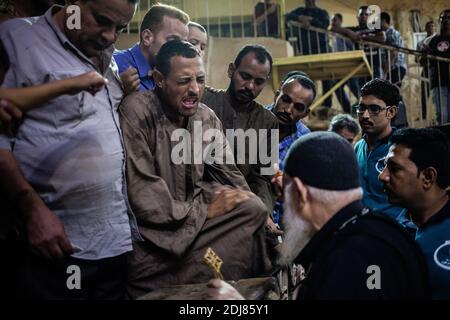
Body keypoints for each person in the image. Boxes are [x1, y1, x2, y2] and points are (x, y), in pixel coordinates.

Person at [0, 0, 141, 300]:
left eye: (121, 28)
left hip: (112, 242)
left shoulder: (105, 55)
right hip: (55, 243)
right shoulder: (17, 41)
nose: (111, 36)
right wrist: (31, 209)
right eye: (102, 20)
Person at [119, 40, 271, 299]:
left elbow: (229, 173)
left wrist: (261, 213)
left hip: (195, 218)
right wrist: (203, 211)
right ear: (158, 79)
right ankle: (179, 282)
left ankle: (221, 288)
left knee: (252, 208)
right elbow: (143, 192)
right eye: (184, 81)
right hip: (154, 232)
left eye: (200, 80)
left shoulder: (206, 117)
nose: (194, 90)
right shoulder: (136, 111)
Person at [207, 132, 430, 300]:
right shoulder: (383, 231)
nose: (283, 206)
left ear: (301, 194)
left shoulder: (349, 261)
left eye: (285, 195)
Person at [201, 45, 278, 217]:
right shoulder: (203, 102)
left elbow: (264, 177)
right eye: (245, 76)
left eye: (258, 82)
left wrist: (263, 213)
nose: (250, 86)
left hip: (244, 209)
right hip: (202, 205)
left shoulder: (268, 121)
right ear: (231, 70)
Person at [379, 128, 450, 299]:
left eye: (394, 169)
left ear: (428, 177)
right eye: (384, 166)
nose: (383, 176)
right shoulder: (392, 231)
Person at [354, 79, 405, 221]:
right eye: (361, 108)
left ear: (391, 112)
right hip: (362, 231)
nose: (364, 115)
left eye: (374, 109)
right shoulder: (358, 147)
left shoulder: (401, 149)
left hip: (392, 233)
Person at [268, 74, 315, 225]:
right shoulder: (251, 120)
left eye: (298, 107)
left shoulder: (305, 141)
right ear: (277, 95)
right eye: (285, 100)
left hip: (279, 225)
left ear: (306, 113)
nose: (288, 109)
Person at [114, 3, 189, 93]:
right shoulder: (115, 65)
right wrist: (117, 89)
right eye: (173, 41)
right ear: (147, 37)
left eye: (183, 43)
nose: (180, 49)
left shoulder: (169, 74)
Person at [421, 9, 450, 125]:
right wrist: (425, 55)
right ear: (439, 21)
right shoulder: (431, 41)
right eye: (443, 18)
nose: (446, 20)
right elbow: (422, 62)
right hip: (438, 82)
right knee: (442, 116)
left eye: (449, 18)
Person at [380, 12, 407, 87]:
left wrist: (385, 71)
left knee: (392, 91)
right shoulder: (386, 33)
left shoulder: (391, 32)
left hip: (395, 67)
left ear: (383, 21)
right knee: (392, 92)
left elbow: (393, 52)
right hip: (394, 67)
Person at [416, 21, 436, 120]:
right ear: (426, 28)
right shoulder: (421, 43)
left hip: (437, 69)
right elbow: (417, 59)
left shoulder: (438, 40)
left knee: (439, 92)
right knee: (424, 93)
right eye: (429, 26)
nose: (431, 27)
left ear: (435, 28)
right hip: (426, 69)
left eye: (433, 26)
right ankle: (423, 115)